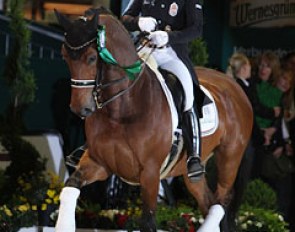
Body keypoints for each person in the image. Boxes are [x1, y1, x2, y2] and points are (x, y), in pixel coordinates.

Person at [121, 0, 205, 182]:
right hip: (143, 50)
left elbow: (196, 29)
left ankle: (193, 155)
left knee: (188, 94)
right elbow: (125, 18)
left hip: (171, 54)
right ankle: (93, 143)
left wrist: (169, 37)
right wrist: (138, 23)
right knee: (116, 82)